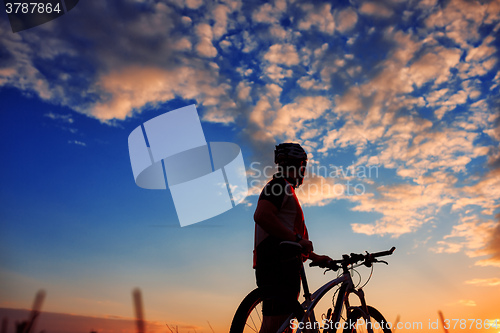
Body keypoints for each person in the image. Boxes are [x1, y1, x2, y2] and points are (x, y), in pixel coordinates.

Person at [253, 143, 332, 333]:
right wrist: (298, 239)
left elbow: (289, 238)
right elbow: (262, 216)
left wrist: (315, 256)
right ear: (297, 165)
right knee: (277, 325)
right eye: (303, 166)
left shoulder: (284, 189)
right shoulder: (279, 186)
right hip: (278, 264)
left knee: (281, 325)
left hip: (283, 262)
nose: (304, 172)